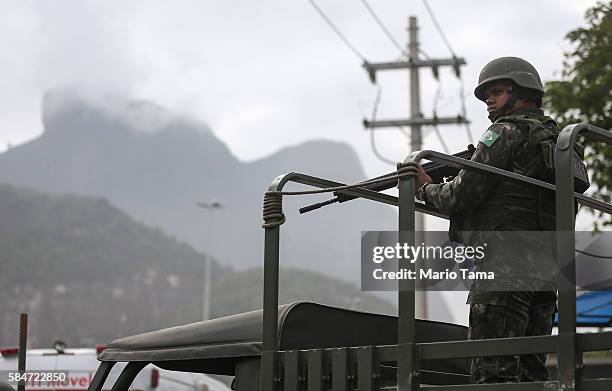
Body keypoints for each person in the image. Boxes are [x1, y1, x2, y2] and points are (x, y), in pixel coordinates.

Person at [414, 56, 561, 383]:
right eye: (485, 96)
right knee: (530, 373)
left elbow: (462, 195)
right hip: (546, 268)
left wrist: (425, 188)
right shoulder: (559, 141)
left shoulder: (504, 132)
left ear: (522, 93)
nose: (488, 101)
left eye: (496, 91)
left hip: (504, 266)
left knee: (492, 373)